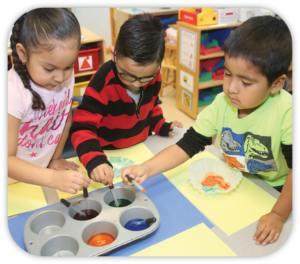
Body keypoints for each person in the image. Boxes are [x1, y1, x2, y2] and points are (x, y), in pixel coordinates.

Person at [121, 16, 293, 246]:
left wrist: (279, 215)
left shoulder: (287, 113)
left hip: (276, 190)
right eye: (228, 74)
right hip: (238, 182)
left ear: (276, 84)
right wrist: (146, 168)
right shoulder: (222, 104)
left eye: (246, 82)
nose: (231, 88)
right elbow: (187, 145)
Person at [70, 13, 183, 187]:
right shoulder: (102, 83)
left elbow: (152, 105)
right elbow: (82, 128)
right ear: (114, 54)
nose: (136, 83)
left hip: (141, 150)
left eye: (145, 78)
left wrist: (160, 125)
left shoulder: (155, 77)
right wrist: (94, 159)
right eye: (127, 75)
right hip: (108, 155)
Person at [7, 8, 91, 194]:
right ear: (23, 53)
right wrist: (52, 178)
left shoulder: (64, 75)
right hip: (11, 183)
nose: (60, 78)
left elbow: (64, 120)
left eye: (69, 66)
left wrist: (55, 159)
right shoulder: (12, 93)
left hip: (41, 177)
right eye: (49, 68)